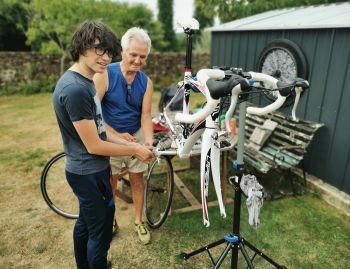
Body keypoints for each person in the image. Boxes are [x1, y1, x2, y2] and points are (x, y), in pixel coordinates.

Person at [52, 21, 154, 269]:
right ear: (82, 46)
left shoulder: (85, 81)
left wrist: (129, 140)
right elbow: (95, 145)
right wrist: (134, 149)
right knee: (100, 234)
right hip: (88, 172)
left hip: (92, 170)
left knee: (86, 225)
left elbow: (99, 128)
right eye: (100, 50)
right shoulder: (75, 89)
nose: (106, 58)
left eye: (109, 52)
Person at [93, 27, 154, 245]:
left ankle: (139, 220)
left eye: (143, 57)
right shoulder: (105, 74)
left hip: (135, 135)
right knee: (112, 182)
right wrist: (117, 135)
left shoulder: (146, 83)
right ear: (123, 52)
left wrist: (148, 141)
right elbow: (95, 114)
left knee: (137, 180)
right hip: (110, 136)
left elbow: (146, 116)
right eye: (134, 54)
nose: (138, 60)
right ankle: (110, 220)